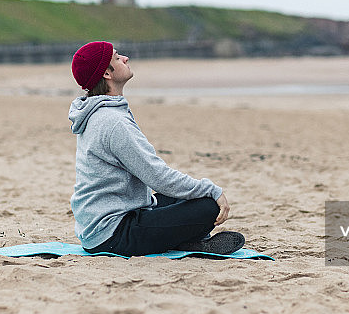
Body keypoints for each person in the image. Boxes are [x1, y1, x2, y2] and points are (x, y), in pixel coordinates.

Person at [68, 41, 245, 256]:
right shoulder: (113, 122)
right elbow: (157, 176)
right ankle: (189, 241)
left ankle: (188, 241)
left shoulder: (100, 113)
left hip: (101, 225)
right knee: (207, 206)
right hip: (113, 234)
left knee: (182, 197)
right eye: (117, 57)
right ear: (107, 73)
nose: (125, 58)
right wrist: (212, 190)